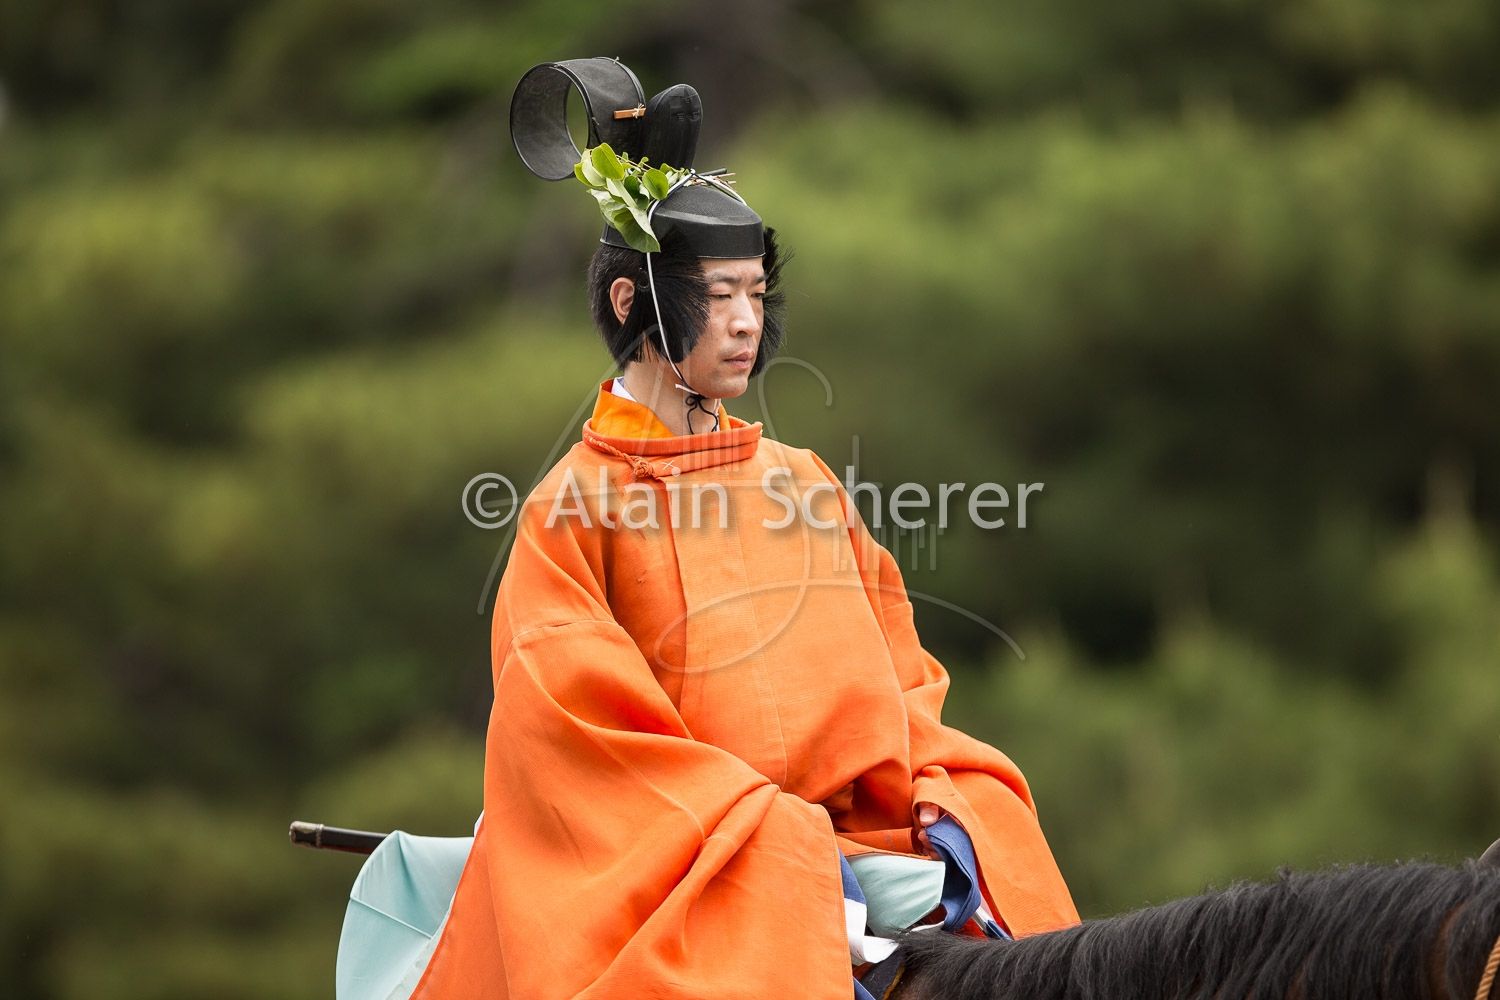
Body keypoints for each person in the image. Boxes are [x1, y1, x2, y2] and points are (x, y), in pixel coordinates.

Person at [407, 58, 1078, 1000]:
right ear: (631, 304)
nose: (743, 324)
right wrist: (781, 846)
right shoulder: (571, 510)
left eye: (756, 295)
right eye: (717, 296)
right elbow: (579, 741)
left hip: (867, 850)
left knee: (1002, 819)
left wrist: (936, 792)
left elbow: (908, 682)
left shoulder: (804, 482)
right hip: (690, 869)